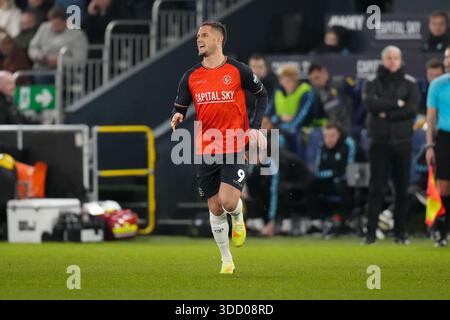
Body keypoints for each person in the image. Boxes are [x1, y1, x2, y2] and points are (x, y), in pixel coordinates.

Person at [171, 21, 268, 274]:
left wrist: (255, 128)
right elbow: (181, 104)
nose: (198, 40)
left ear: (218, 40)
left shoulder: (238, 71)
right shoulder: (191, 76)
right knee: (214, 207)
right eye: (197, 36)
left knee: (227, 201)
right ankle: (226, 260)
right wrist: (177, 116)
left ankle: (238, 217)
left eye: (204, 35)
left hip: (235, 143)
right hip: (206, 147)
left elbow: (262, 94)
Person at [362, 46, 420, 245]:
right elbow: (371, 105)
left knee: (402, 189)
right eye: (389, 58)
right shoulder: (371, 82)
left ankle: (400, 234)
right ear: (382, 60)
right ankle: (370, 235)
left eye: (396, 57)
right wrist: (398, 103)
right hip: (380, 141)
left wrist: (386, 112)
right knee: (375, 188)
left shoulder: (410, 83)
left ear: (401, 60)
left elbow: (411, 110)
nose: (392, 61)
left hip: (403, 142)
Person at [306, 122, 355, 238]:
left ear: (339, 135)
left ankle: (342, 222)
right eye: (326, 136)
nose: (329, 139)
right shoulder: (322, 145)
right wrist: (333, 173)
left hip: (348, 181)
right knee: (310, 184)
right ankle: (316, 223)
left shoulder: (349, 144)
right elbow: (318, 170)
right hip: (329, 180)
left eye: (332, 136)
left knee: (343, 185)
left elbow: (349, 170)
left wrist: (335, 174)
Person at [426, 45, 450, 247]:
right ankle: (442, 231)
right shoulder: (437, 85)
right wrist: (429, 146)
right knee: (443, 187)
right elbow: (431, 118)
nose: (448, 60)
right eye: (446, 57)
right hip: (444, 138)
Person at [28, 6, 88, 81]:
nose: (54, 27)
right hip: (42, 67)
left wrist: (59, 61)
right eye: (52, 24)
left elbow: (80, 61)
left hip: (66, 73)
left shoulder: (78, 35)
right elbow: (32, 47)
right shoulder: (44, 28)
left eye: (58, 24)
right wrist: (38, 55)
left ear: (66, 22)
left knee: (42, 77)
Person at [266, 65, 315, 156]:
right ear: (280, 80)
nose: (291, 83)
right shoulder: (277, 92)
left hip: (301, 129)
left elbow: (302, 116)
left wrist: (282, 126)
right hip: (280, 129)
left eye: (293, 80)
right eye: (287, 80)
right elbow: (268, 116)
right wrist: (279, 118)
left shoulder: (306, 92)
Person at [307, 63, 353, 133]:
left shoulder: (341, 82)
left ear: (324, 72)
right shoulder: (318, 93)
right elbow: (318, 115)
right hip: (334, 132)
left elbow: (357, 100)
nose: (315, 83)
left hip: (350, 128)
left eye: (317, 78)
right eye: (312, 80)